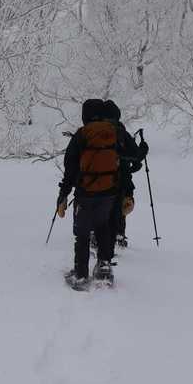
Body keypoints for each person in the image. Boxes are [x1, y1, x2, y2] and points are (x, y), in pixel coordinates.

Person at [56, 98, 120, 289]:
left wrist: (63, 194)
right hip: (109, 192)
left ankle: (81, 274)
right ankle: (104, 269)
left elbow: (70, 168)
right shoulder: (113, 132)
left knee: (82, 234)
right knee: (103, 228)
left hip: (86, 194)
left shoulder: (82, 135)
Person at [102, 99, 147, 247]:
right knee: (120, 206)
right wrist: (144, 148)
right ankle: (119, 235)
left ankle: (96, 234)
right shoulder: (121, 133)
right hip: (122, 179)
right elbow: (136, 156)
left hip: (96, 178)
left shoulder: (92, 132)